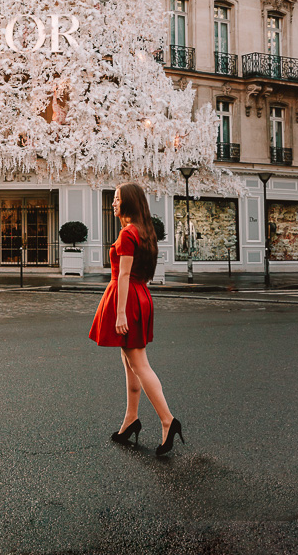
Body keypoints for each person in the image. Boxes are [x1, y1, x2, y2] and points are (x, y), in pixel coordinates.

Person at [89, 182, 184, 456]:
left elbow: (123, 276)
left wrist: (120, 313)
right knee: (130, 363)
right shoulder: (144, 231)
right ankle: (131, 419)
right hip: (139, 294)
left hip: (128, 297)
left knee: (140, 365)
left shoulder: (128, 234)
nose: (113, 203)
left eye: (117, 199)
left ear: (128, 201)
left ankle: (168, 421)